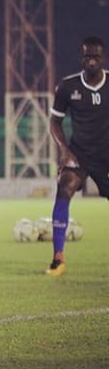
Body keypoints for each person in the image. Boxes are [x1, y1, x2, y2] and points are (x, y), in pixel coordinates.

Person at [46, 36, 109, 276]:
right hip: (79, 154)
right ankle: (58, 258)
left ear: (102, 58)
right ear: (81, 59)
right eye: (87, 57)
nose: (91, 61)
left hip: (106, 155)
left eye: (95, 57)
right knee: (65, 186)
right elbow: (55, 121)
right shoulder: (67, 86)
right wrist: (64, 150)